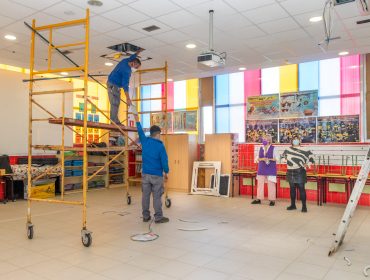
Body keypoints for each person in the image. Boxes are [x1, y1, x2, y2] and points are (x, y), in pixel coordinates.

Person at [131, 105, 170, 223]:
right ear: (158, 134)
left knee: (145, 196)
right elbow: (165, 161)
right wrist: (166, 172)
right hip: (157, 175)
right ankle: (158, 217)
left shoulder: (145, 141)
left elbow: (139, 129)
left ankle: (145, 216)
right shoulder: (160, 146)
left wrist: (135, 116)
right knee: (157, 196)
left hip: (145, 174)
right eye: (160, 134)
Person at [107, 49, 142, 124]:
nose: (136, 69)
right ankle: (114, 121)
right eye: (136, 67)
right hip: (113, 85)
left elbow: (132, 56)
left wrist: (138, 52)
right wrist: (128, 98)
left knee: (116, 103)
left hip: (114, 85)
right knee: (115, 103)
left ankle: (115, 120)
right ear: (133, 63)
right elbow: (125, 85)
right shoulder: (127, 71)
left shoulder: (125, 61)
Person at [282, 136, 315, 213]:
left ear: (300, 141)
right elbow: (282, 157)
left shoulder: (305, 149)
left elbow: (312, 158)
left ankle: (304, 206)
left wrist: (307, 164)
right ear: (291, 141)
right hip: (290, 171)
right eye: (294, 139)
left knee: (302, 189)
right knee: (292, 189)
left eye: (297, 139)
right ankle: (293, 205)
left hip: (300, 171)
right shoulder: (287, 149)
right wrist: (285, 160)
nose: (295, 141)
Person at [251, 134, 278, 206]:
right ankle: (259, 199)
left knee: (271, 184)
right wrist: (262, 159)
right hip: (261, 168)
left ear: (269, 140)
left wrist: (268, 159)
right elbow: (256, 159)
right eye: (263, 139)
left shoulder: (273, 148)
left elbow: (276, 158)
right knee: (260, 184)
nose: (264, 140)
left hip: (270, 169)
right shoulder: (260, 148)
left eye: (265, 139)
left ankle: (272, 200)